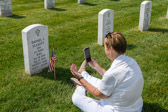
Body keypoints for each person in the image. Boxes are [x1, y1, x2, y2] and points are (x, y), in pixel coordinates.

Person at [70, 32, 144, 112]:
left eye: (105, 47)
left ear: (111, 49)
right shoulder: (132, 61)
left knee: (77, 99)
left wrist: (80, 78)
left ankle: (80, 86)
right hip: (136, 107)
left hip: (116, 109)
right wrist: (96, 66)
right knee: (102, 83)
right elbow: (112, 78)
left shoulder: (113, 73)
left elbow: (97, 94)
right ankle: (84, 73)